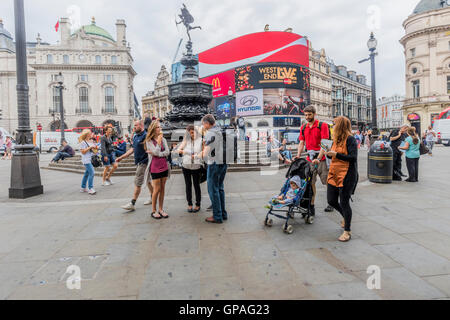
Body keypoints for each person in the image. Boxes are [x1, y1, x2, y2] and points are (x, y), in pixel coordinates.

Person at [316, 116, 358, 242]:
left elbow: (353, 157)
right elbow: (333, 157)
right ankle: (344, 216)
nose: (332, 127)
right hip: (334, 173)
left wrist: (336, 154)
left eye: (334, 125)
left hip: (347, 175)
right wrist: (329, 154)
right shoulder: (335, 140)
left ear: (340, 126)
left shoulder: (350, 139)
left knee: (344, 202)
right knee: (331, 200)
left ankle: (347, 231)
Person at [295, 105, 334, 216]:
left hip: (322, 159)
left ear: (314, 114)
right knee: (310, 183)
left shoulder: (322, 125)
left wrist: (318, 158)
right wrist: (298, 155)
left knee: (327, 182)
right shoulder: (303, 127)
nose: (307, 117)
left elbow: (325, 143)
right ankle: (311, 205)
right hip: (310, 159)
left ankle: (332, 202)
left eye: (309, 115)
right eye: (306, 115)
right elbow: (301, 143)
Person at [198, 114, 228, 224]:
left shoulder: (211, 132)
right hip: (224, 162)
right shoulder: (222, 129)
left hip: (214, 163)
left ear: (207, 123)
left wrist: (196, 155)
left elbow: (206, 152)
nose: (203, 127)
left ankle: (217, 216)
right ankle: (222, 213)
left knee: (213, 189)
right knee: (220, 188)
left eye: (203, 124)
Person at [118, 120, 153, 211]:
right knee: (148, 181)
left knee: (138, 182)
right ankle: (153, 197)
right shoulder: (136, 136)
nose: (134, 127)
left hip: (144, 162)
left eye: (136, 125)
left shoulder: (145, 135)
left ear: (141, 125)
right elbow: (132, 149)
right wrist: (122, 157)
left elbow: (151, 146)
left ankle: (132, 203)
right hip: (139, 162)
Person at [175, 125, 204, 213]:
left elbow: (203, 152)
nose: (192, 134)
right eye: (190, 133)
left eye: (193, 132)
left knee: (196, 185)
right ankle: (190, 204)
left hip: (196, 166)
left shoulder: (201, 140)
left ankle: (198, 204)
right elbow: (178, 150)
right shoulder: (185, 141)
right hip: (186, 166)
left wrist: (196, 155)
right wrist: (186, 152)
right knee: (188, 185)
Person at [146, 121, 170, 219]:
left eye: (160, 127)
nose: (160, 129)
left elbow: (167, 152)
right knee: (156, 189)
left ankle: (161, 209)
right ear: (153, 129)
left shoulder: (163, 139)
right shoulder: (149, 140)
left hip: (164, 166)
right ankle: (153, 210)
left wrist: (158, 154)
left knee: (163, 188)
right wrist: (158, 143)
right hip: (155, 167)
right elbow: (155, 151)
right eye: (157, 127)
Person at [79, 129, 98, 195]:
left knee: (86, 174)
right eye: (90, 133)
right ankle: (90, 188)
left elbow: (95, 151)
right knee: (92, 173)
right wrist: (90, 147)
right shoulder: (83, 142)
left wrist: (95, 148)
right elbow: (83, 152)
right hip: (86, 160)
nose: (91, 134)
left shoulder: (91, 141)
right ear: (87, 134)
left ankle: (83, 187)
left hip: (91, 159)